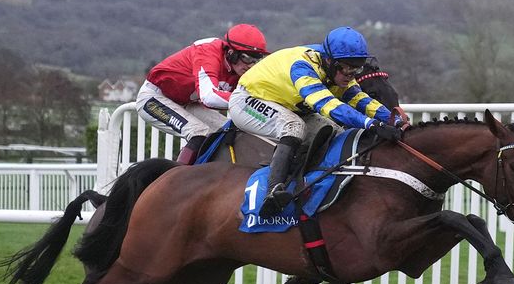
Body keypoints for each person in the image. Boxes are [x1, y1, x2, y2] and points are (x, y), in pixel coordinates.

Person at [228, 26, 401, 217]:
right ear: (329, 61)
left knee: (334, 130)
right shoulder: (303, 67)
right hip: (247, 100)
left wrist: (393, 118)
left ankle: (306, 181)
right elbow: (329, 106)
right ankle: (273, 192)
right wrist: (371, 124)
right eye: (346, 68)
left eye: (356, 68)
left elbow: (361, 100)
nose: (350, 74)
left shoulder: (338, 70)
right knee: (294, 127)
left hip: (288, 105)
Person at [135, 24, 269, 165]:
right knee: (199, 132)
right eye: (247, 58)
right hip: (154, 98)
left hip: (187, 103)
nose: (250, 66)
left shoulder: (240, 71)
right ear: (231, 53)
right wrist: (247, 101)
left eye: (256, 60)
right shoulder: (207, 51)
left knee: (226, 131)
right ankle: (179, 178)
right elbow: (209, 97)